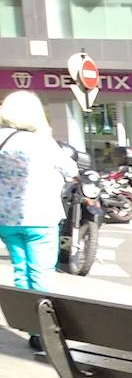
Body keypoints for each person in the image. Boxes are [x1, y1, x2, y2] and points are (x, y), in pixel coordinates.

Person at [0, 91, 78, 312]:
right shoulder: (42, 142)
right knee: (41, 272)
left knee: (20, 269)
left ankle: (29, 322)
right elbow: (70, 170)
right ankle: (42, 328)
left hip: (6, 216)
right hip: (40, 215)